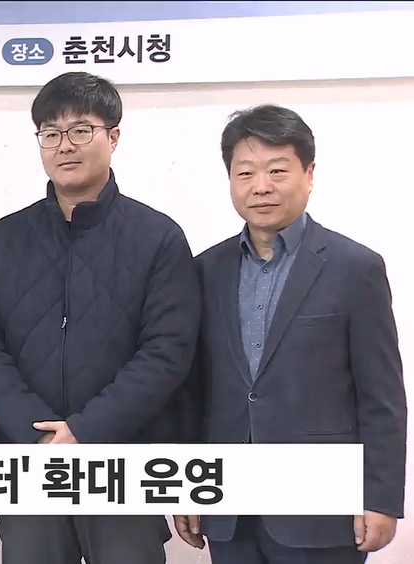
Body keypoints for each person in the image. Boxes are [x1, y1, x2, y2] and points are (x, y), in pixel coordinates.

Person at [0, 71, 201, 564]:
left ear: (113, 136)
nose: (65, 145)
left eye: (81, 130)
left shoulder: (157, 237)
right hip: (29, 463)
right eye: (51, 133)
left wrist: (86, 430)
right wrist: (37, 432)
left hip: (124, 462)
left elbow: (167, 353)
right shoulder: (6, 237)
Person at [173, 104, 407, 563]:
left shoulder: (355, 268)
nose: (261, 186)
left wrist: (380, 497)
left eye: (277, 170)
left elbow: (381, 396)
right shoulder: (204, 271)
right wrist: (186, 485)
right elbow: (191, 392)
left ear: (309, 173)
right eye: (245, 173)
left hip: (320, 509)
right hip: (230, 507)